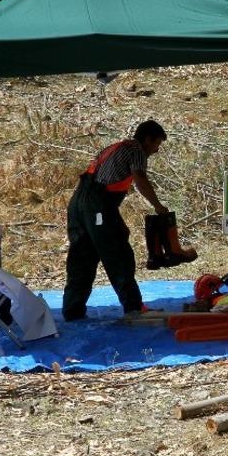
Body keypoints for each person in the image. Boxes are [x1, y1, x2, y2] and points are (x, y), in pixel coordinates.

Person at [62, 120, 169, 321]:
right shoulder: (136, 149)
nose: (156, 151)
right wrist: (158, 206)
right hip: (97, 205)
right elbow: (140, 180)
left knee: (82, 256)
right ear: (147, 139)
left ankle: (72, 311)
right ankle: (134, 308)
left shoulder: (116, 147)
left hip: (78, 204)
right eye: (156, 145)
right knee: (118, 252)